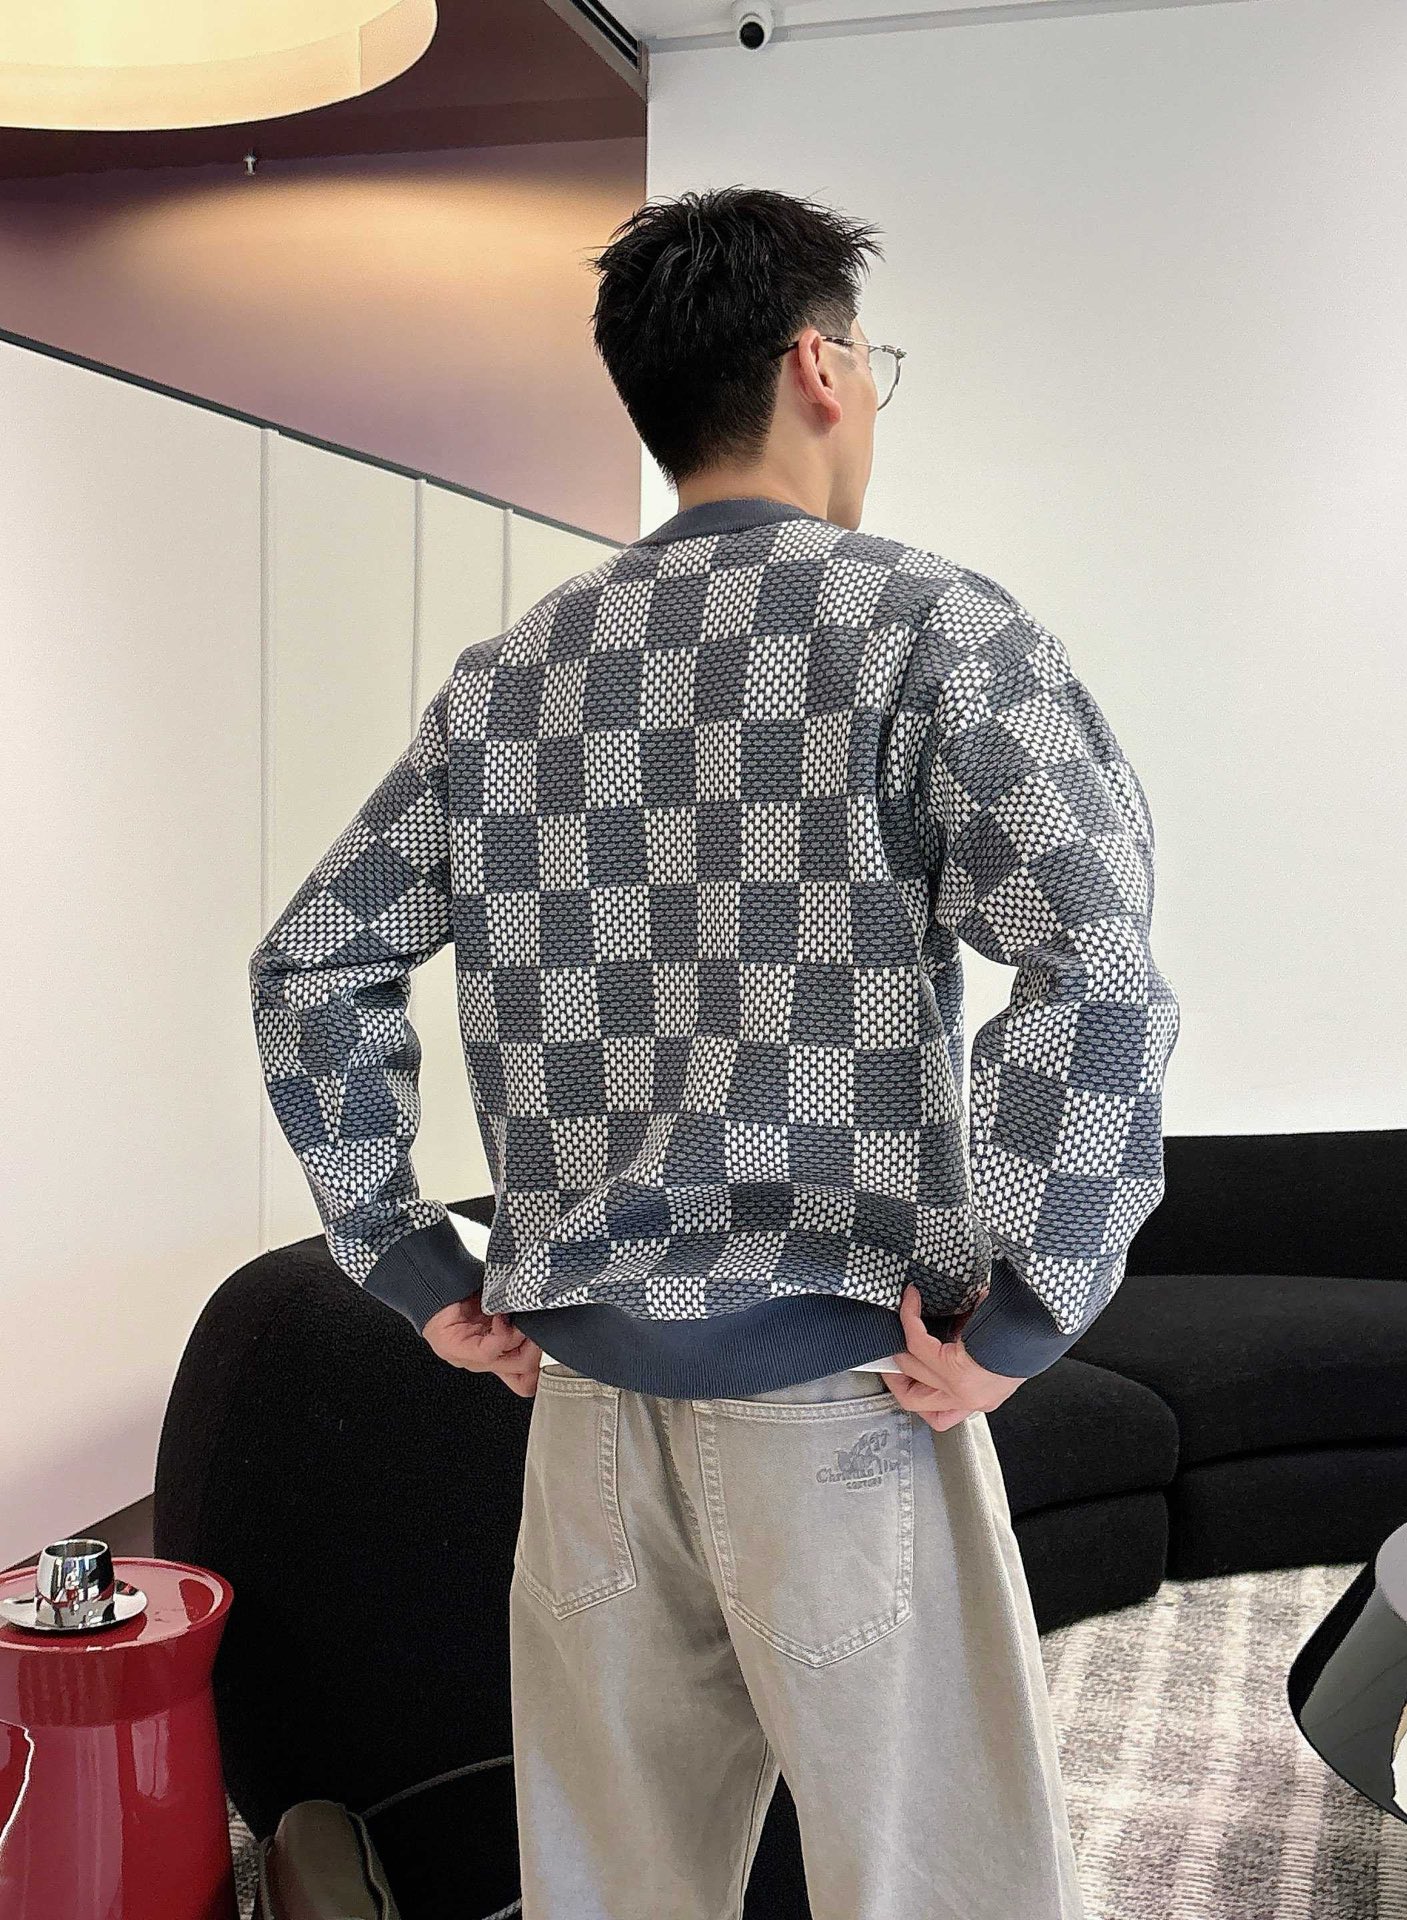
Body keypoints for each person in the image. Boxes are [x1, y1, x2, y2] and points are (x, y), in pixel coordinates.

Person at [249, 184, 1181, 1920]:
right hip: (847, 1400)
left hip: (588, 1417)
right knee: (941, 1893)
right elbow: (1097, 960)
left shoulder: (512, 677)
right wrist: (1034, 1300)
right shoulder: (932, 630)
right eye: (872, 360)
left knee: (613, 1890)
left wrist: (413, 1263)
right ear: (821, 365)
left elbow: (313, 963)